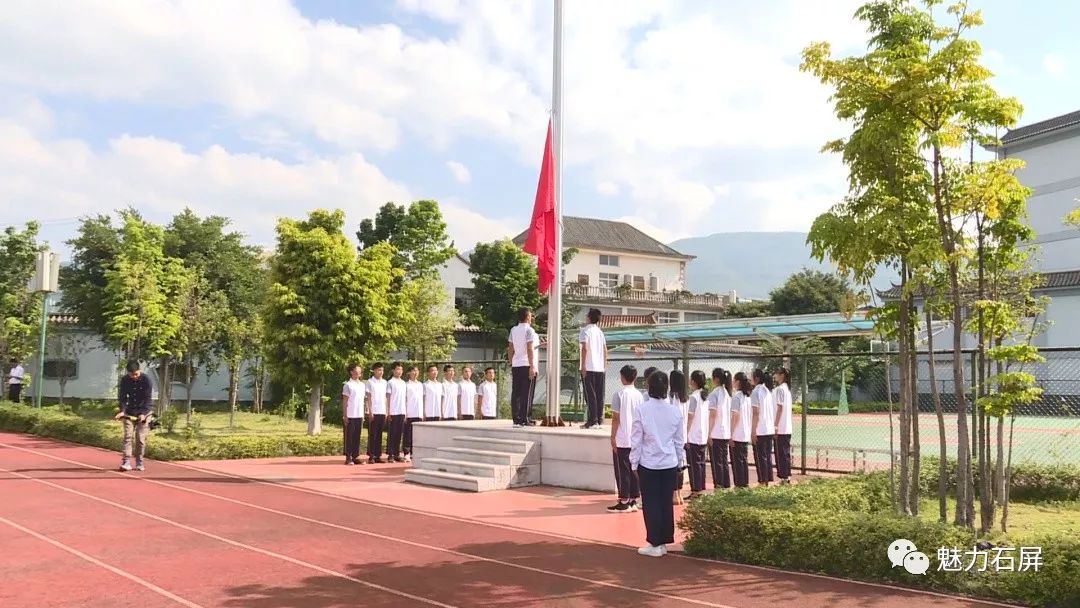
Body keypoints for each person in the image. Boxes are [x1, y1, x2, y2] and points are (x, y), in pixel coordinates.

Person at [630, 370, 685, 558]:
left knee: (651, 503)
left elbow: (636, 439)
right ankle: (663, 541)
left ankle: (655, 542)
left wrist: (633, 462)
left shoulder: (642, 410)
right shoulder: (674, 411)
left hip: (649, 463)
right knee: (665, 504)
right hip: (669, 463)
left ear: (648, 386)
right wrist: (680, 461)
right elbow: (679, 440)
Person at [607, 365, 642, 513]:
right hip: (635, 438)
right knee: (634, 468)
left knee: (622, 470)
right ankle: (634, 499)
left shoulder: (619, 394)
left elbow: (615, 417)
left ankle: (624, 500)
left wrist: (613, 436)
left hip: (622, 437)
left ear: (622, 377)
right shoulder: (640, 395)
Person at [113, 359, 153, 472]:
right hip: (129, 412)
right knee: (127, 437)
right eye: (131, 375)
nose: (134, 376)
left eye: (136, 374)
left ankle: (139, 461)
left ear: (139, 371)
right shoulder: (125, 380)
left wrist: (143, 414)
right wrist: (122, 410)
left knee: (140, 438)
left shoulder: (146, 380)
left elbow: (147, 399)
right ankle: (126, 461)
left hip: (144, 412)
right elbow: (122, 397)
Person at [507, 307, 539, 427]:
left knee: (516, 392)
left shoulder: (513, 330)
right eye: (530, 316)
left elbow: (510, 347)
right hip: (526, 364)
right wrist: (532, 366)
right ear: (527, 317)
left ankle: (516, 418)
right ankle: (525, 418)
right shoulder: (529, 330)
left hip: (516, 364)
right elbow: (530, 348)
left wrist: (511, 361)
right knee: (527, 392)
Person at [579, 308, 608, 429]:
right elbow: (605, 349)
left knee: (590, 394)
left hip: (589, 366)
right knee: (599, 394)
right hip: (599, 367)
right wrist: (604, 363)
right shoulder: (600, 332)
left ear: (589, 318)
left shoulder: (585, 331)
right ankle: (599, 420)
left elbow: (584, 348)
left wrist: (583, 365)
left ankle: (592, 421)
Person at [684, 370, 710, 500]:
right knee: (700, 463)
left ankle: (695, 490)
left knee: (694, 464)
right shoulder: (705, 396)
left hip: (694, 434)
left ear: (693, 381)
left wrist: (686, 433)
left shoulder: (694, 397)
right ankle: (700, 489)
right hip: (703, 433)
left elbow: (690, 416)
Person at [707, 368, 733, 490]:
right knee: (723, 461)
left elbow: (712, 414)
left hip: (716, 432)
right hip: (725, 431)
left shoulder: (714, 394)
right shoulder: (727, 393)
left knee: (716, 462)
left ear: (716, 379)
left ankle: (719, 486)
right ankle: (726, 485)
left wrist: (709, 433)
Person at [668, 370, 690, 506]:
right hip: (683, 435)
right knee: (681, 465)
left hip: (673, 435)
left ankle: (674, 494)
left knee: (673, 466)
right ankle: (679, 494)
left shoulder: (672, 398)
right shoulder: (686, 398)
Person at [750, 368, 776, 486]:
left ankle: (762, 480)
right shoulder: (768, 391)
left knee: (760, 457)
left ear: (756, 378)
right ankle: (767, 480)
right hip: (769, 428)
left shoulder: (756, 392)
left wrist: (753, 431)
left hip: (760, 429)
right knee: (767, 456)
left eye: (752, 377)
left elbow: (755, 412)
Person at [730, 372, 753, 488]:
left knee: (737, 462)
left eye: (734, 380)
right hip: (745, 433)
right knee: (743, 460)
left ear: (738, 382)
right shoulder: (747, 398)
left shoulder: (737, 397)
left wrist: (731, 434)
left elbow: (735, 416)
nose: (733, 382)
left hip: (737, 434)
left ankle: (739, 485)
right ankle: (745, 484)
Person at [772, 367, 794, 485]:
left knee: (781, 454)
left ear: (782, 376)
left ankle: (784, 477)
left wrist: (775, 425)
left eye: (776, 373)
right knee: (785, 453)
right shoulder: (787, 390)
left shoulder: (780, 389)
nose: (775, 375)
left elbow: (779, 408)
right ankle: (787, 476)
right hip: (786, 427)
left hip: (781, 428)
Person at [341, 363, 366, 465]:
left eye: (360, 371)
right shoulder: (348, 385)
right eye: (356, 370)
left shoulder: (362, 385)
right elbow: (345, 401)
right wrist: (345, 415)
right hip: (350, 414)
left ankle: (355, 456)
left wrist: (364, 414)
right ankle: (348, 457)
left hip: (359, 414)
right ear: (351, 372)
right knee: (349, 436)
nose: (358, 372)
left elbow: (362, 401)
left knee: (357, 436)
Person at [366, 363, 388, 464]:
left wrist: (386, 411)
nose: (381, 372)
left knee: (379, 434)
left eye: (382, 370)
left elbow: (385, 398)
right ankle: (371, 456)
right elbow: (368, 398)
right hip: (373, 411)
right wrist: (370, 411)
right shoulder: (370, 382)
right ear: (374, 371)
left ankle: (378, 455)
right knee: (372, 434)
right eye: (379, 370)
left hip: (382, 411)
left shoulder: (384, 382)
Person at [386, 362, 408, 463]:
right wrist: (388, 412)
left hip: (401, 411)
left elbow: (404, 398)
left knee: (399, 434)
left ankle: (396, 453)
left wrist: (405, 412)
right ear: (393, 371)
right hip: (393, 411)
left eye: (401, 369)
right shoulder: (390, 382)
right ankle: (390, 454)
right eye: (397, 369)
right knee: (392, 434)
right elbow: (388, 398)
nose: (399, 371)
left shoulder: (403, 383)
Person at [403, 365, 424, 462]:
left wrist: (423, 412)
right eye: (413, 371)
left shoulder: (420, 385)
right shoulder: (406, 385)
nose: (415, 373)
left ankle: (414, 452)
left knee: (417, 434)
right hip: (409, 412)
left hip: (419, 413)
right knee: (408, 434)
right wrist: (405, 413)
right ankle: (406, 453)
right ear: (409, 373)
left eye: (417, 371)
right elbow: (404, 399)